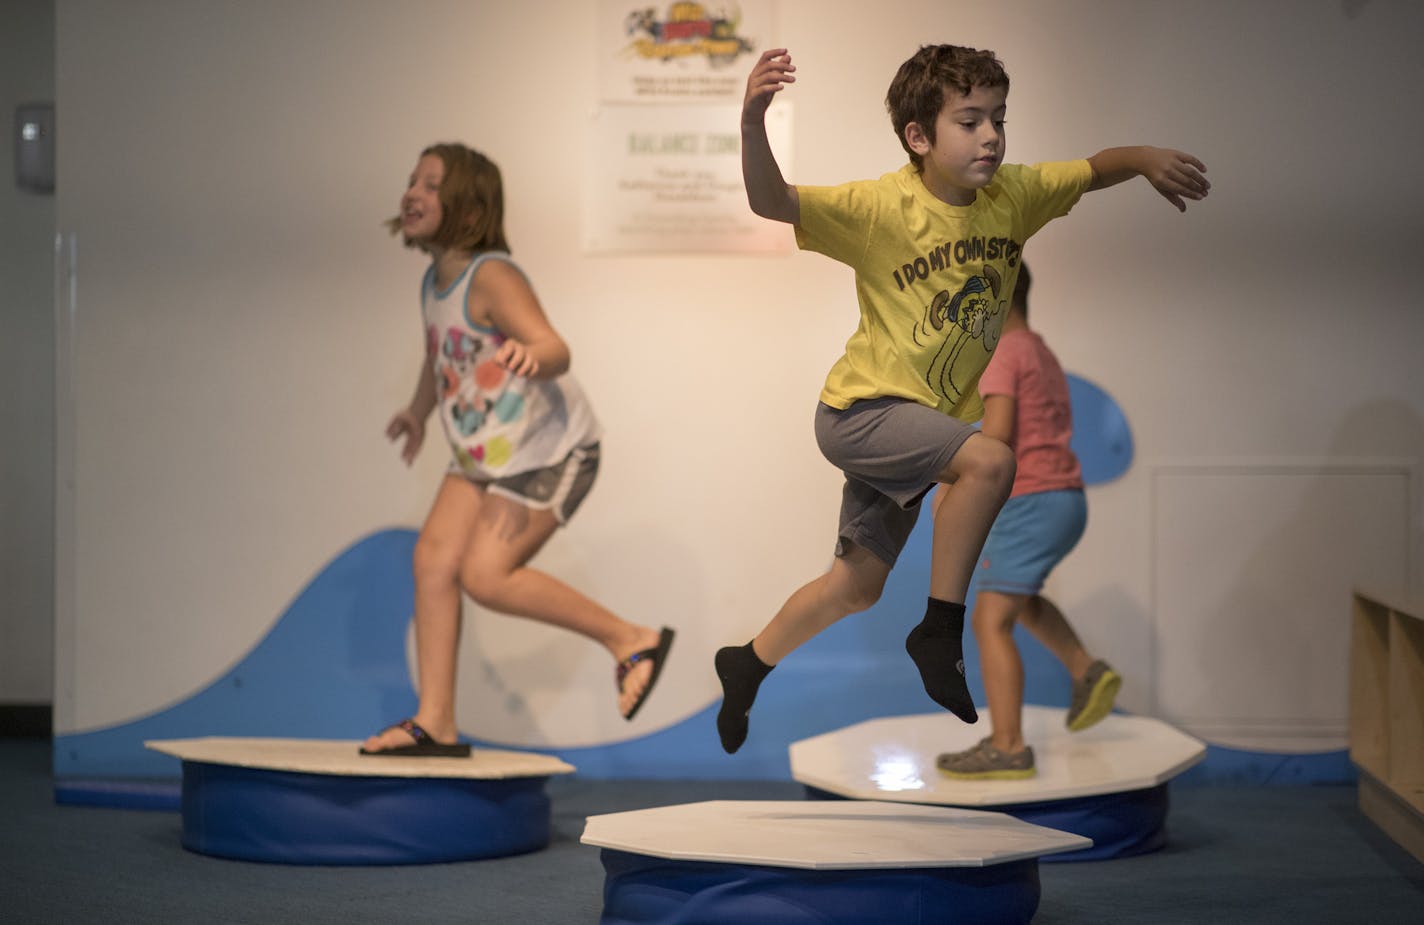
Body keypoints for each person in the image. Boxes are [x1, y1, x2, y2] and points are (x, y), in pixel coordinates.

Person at [715, 44, 1206, 754]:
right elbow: (772, 200)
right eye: (970, 121)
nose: (991, 137)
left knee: (854, 587)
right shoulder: (881, 208)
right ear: (919, 137)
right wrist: (754, 122)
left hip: (915, 428)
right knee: (989, 462)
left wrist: (1145, 157)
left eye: (999, 120)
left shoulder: (1013, 196)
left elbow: (1094, 168)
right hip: (861, 413)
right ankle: (940, 631)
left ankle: (747, 662)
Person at [361, 143, 674, 756]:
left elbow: (555, 347)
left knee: (485, 575)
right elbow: (439, 355)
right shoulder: (433, 280)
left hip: (551, 453)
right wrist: (419, 414)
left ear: (468, 206)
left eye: (431, 184)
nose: (413, 193)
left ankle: (630, 638)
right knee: (432, 562)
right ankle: (437, 722)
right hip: (486, 457)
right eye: (412, 181)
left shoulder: (494, 276)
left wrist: (533, 356)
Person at [935, 262, 1120, 780]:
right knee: (1020, 598)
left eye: (969, 307)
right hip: (1065, 498)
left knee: (990, 619)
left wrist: (950, 477)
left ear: (991, 304)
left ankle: (1009, 745)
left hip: (1031, 500)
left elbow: (997, 435)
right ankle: (1086, 670)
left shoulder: (1000, 353)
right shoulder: (1039, 350)